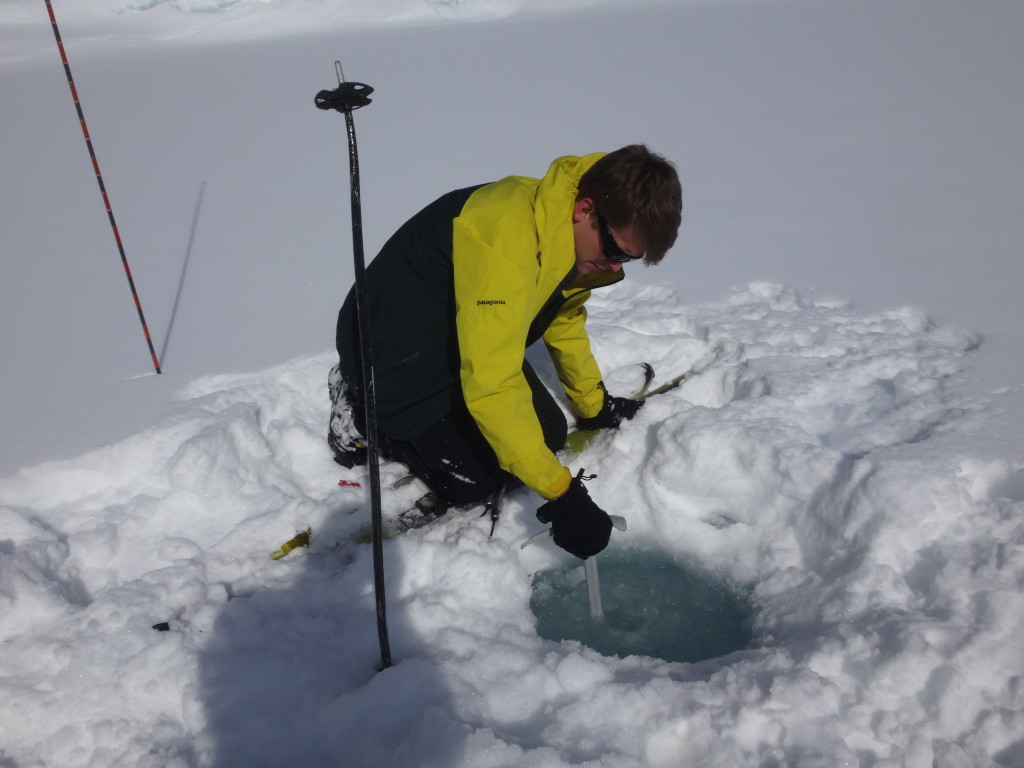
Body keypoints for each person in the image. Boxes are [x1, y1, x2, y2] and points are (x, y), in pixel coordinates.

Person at [328, 145, 682, 559]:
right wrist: (563, 495)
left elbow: (563, 320)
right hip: (393, 350)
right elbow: (492, 383)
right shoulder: (508, 238)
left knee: (545, 435)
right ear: (585, 209)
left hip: (463, 336)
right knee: (474, 482)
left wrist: (594, 405)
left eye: (630, 259)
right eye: (616, 251)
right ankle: (359, 412)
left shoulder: (565, 235)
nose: (616, 267)